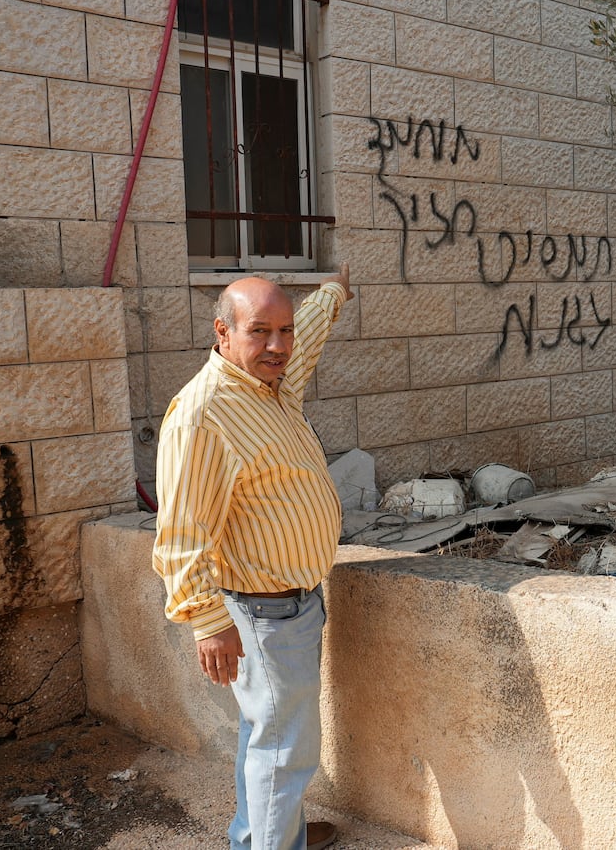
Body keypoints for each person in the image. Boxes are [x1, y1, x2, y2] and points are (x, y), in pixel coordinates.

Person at [152, 269, 354, 850]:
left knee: (265, 734)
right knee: (285, 749)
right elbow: (181, 532)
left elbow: (306, 332)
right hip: (264, 615)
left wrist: (333, 292)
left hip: (291, 606)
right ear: (222, 332)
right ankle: (275, 840)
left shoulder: (272, 384)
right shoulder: (203, 414)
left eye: (284, 331)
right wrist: (207, 623)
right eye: (260, 332)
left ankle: (265, 834)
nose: (278, 345)